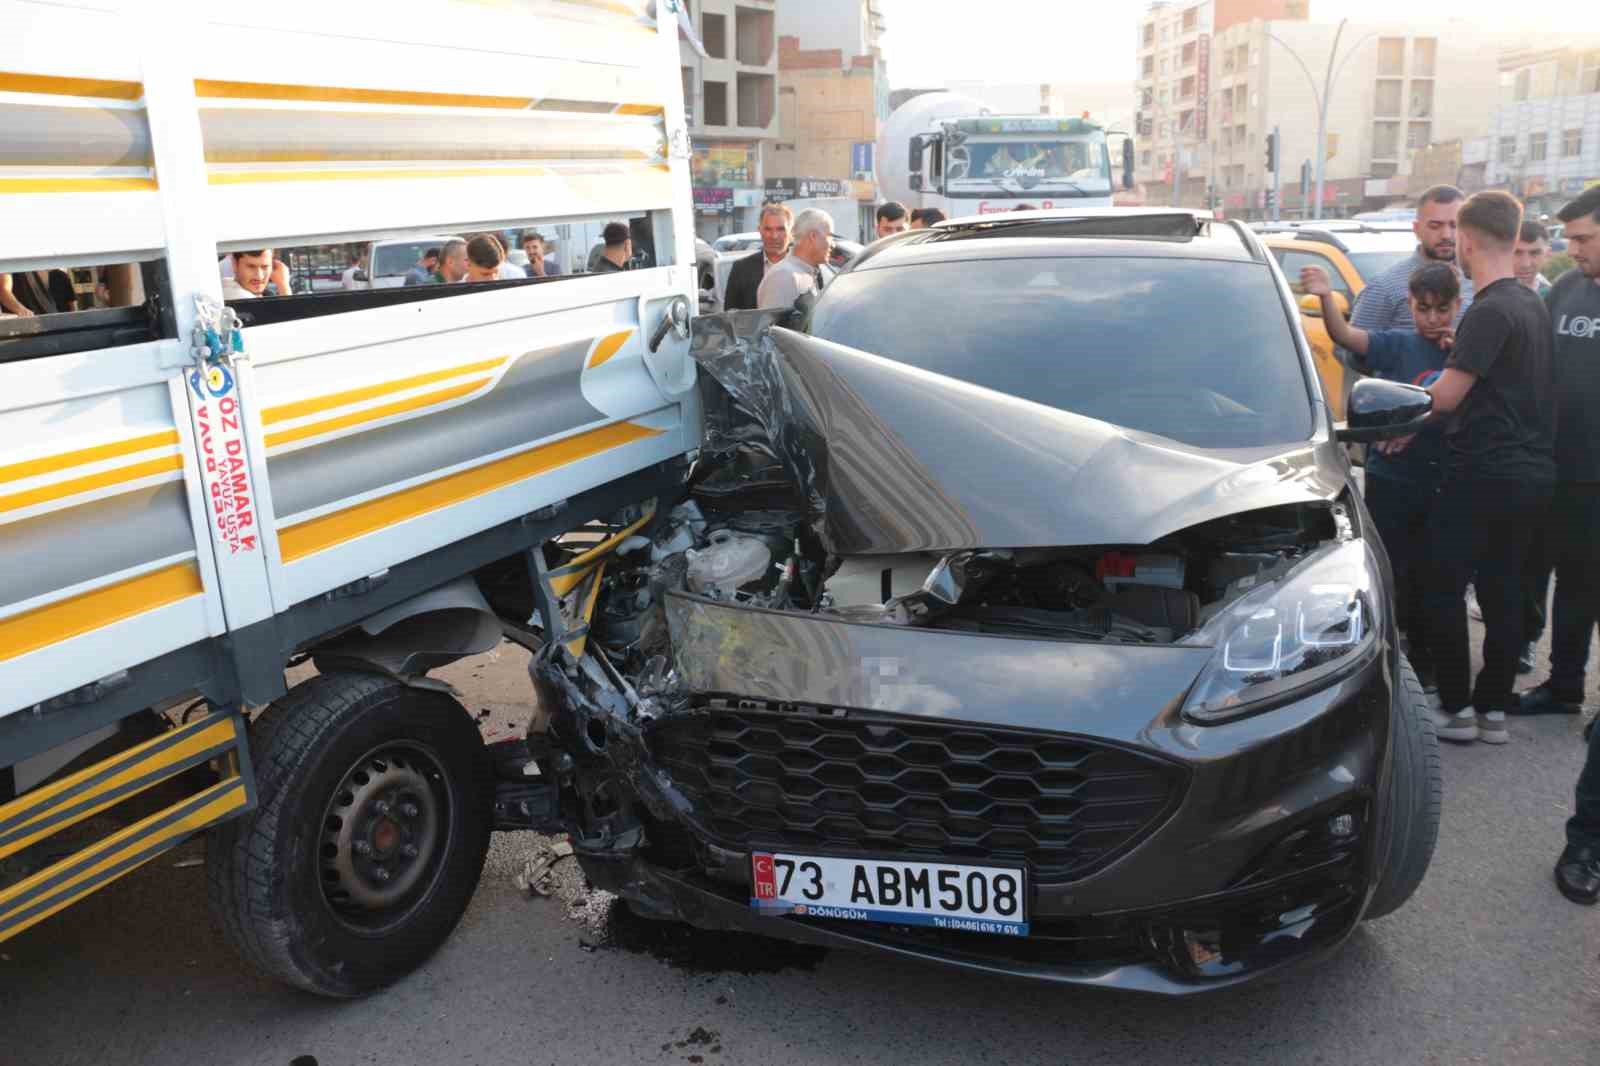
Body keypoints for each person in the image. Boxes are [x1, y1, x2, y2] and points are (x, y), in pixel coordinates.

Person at [1410, 191, 1556, 746]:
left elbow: (1446, 398)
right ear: (1513, 238)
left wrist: (1400, 409)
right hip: (1531, 473)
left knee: (1441, 586)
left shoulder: (1489, 309)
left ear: (1467, 241)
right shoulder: (1529, 302)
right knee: (1503, 589)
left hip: (1480, 472)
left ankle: (1455, 707)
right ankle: (1493, 708)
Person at [1303, 261, 1458, 691]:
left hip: (1440, 477)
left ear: (1457, 306)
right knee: (1389, 567)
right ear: (1410, 305)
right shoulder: (1397, 344)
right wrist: (1326, 297)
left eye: (1442, 309)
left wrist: (1458, 350)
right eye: (1423, 308)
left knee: (1432, 574)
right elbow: (1345, 336)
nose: (1432, 318)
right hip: (1391, 476)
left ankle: (1426, 659)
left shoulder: (1462, 352)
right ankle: (1388, 651)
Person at [1518, 185, 1600, 719]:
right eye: (1569, 239)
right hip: (1563, 471)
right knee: (1572, 584)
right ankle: (1565, 685)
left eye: (1584, 238)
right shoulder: (1567, 288)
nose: (1573, 249)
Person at [1351, 185, 1475, 335]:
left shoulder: (1477, 282)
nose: (1446, 235)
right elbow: (1352, 345)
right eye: (1435, 226)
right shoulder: (1385, 287)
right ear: (1416, 229)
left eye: (1454, 225)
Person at [755, 207, 832, 310]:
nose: (833, 244)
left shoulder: (806, 273)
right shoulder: (783, 276)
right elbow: (771, 320)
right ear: (813, 236)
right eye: (829, 236)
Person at [724, 202, 792, 312]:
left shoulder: (805, 268)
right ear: (760, 230)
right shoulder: (741, 269)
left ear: (790, 231)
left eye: (780, 229)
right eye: (768, 229)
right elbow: (730, 315)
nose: (774, 236)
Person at [0, 268, 76, 316]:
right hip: (27, 324)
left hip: (49, 319)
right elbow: (3, 291)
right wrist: (23, 312)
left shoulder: (39, 259)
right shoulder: (10, 256)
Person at [1514, 220, 1553, 295]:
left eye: (1534, 253)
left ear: (1547, 254)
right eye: (1517, 253)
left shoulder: (1554, 296)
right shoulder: (1490, 293)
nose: (1525, 264)